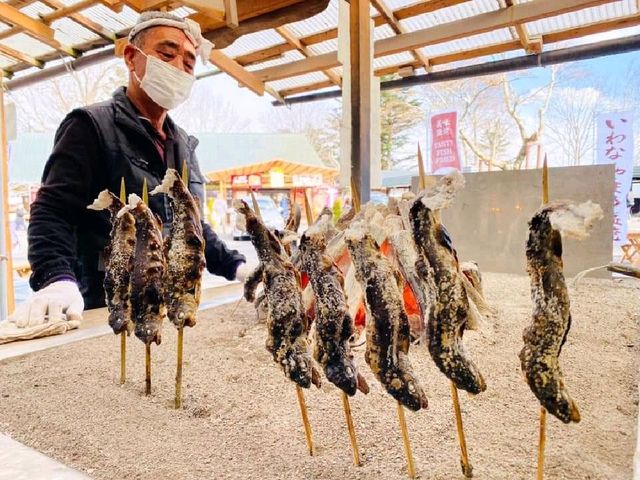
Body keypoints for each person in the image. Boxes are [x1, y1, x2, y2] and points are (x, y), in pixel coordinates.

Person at [11, 12, 252, 328]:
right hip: (105, 308)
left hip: (168, 309)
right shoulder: (90, 127)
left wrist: (238, 267)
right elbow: (53, 211)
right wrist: (56, 278)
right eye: (166, 54)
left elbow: (192, 227)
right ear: (131, 57)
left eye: (189, 63)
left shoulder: (182, 144)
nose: (178, 66)